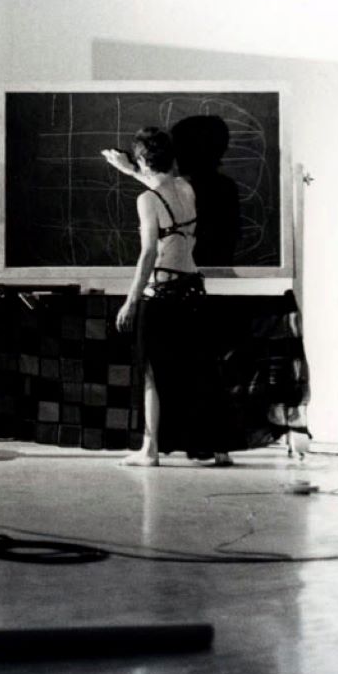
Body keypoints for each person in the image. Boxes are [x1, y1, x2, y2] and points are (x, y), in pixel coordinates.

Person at [102, 128, 233, 467]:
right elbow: (164, 194)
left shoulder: (146, 201)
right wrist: (132, 170)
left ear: (144, 160)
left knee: (151, 374)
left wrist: (131, 300)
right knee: (201, 371)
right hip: (192, 289)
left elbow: (148, 254)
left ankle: (151, 450)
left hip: (160, 296)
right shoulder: (186, 188)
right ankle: (218, 447)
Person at [171, 115, 240, 267]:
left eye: (178, 147)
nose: (174, 155)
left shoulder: (183, 187)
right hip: (220, 273)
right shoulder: (227, 187)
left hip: (186, 276)